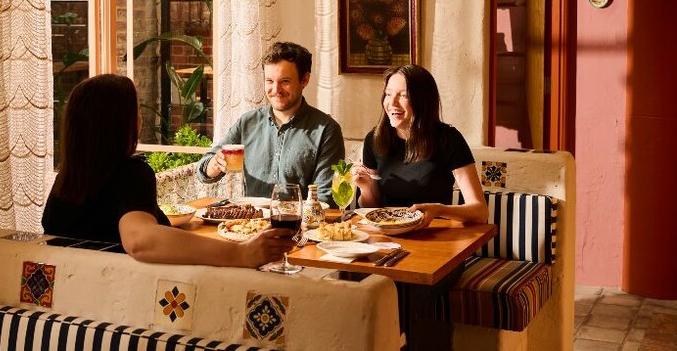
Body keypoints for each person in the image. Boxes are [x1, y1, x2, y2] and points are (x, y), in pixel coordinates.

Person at [42, 74, 296, 267]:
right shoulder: (131, 173)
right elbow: (140, 241)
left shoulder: (67, 181)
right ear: (120, 123)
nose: (141, 118)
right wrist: (240, 254)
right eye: (138, 110)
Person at [196, 42, 345, 206]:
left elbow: (325, 199)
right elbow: (203, 169)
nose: (276, 89)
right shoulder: (247, 123)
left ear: (304, 80)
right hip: (249, 225)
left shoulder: (326, 130)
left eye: (285, 81)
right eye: (269, 81)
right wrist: (213, 166)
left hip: (299, 226)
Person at [354, 64, 487, 228]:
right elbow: (372, 209)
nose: (392, 103)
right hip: (386, 238)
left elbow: (480, 212)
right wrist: (366, 189)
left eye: (403, 95)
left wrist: (439, 210)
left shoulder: (449, 139)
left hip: (434, 237)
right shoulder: (374, 139)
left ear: (422, 100)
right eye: (388, 94)